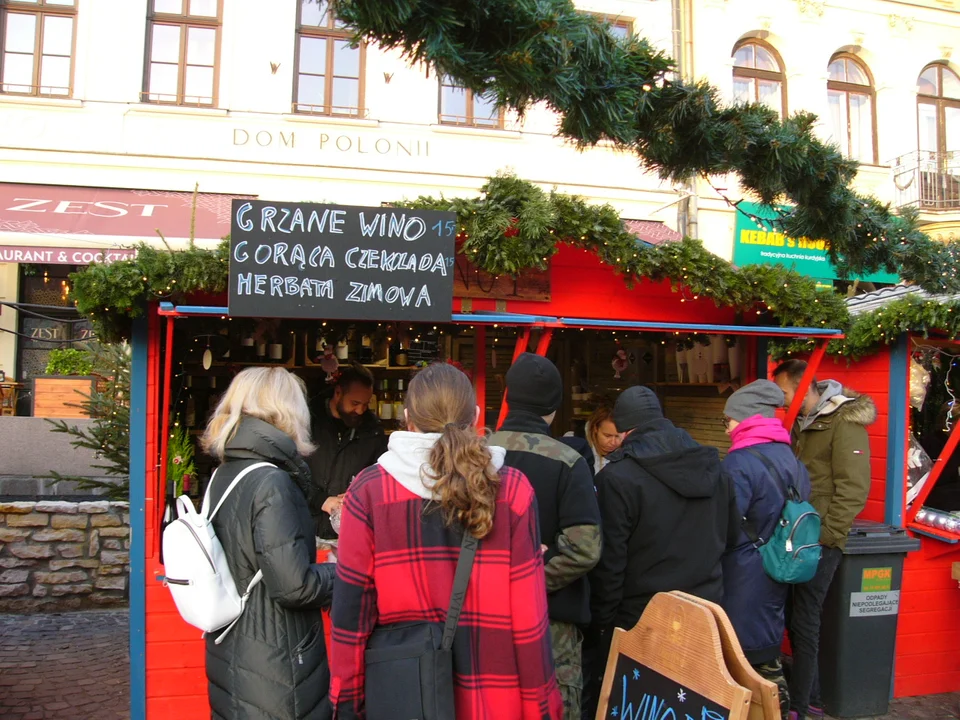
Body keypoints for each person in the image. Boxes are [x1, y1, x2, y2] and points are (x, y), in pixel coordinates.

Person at [330, 362, 563, 720]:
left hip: (403, 698)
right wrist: (541, 709)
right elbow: (530, 620)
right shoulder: (513, 490)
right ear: (476, 416)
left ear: (407, 418)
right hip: (494, 701)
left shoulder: (369, 491)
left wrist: (347, 704)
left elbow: (351, 619)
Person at [583, 385, 737, 720]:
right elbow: (731, 539)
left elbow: (611, 566)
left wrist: (601, 629)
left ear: (624, 429)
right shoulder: (716, 469)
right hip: (704, 614)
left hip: (641, 619)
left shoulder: (618, 478)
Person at [200, 367, 336, 720]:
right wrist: (342, 572)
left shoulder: (226, 472)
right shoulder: (271, 481)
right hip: (276, 661)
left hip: (235, 647)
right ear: (288, 411)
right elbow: (294, 588)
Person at [489, 353, 602, 719]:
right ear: (554, 406)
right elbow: (584, 550)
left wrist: (495, 572)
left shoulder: (474, 455)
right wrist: (529, 569)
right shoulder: (569, 461)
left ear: (508, 397)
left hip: (481, 614)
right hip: (549, 623)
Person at [772, 360, 875, 720]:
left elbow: (854, 487)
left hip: (820, 539)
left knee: (805, 618)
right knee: (792, 615)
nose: (782, 401)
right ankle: (809, 695)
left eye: (785, 392)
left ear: (804, 387)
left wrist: (828, 536)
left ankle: (803, 704)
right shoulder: (802, 422)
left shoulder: (844, 422)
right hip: (797, 533)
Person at [720, 380, 812, 720]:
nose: (726, 426)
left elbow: (726, 525)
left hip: (743, 573)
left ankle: (770, 711)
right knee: (766, 648)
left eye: (727, 419)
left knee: (743, 659)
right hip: (778, 565)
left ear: (744, 419)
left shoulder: (739, 463)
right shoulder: (790, 457)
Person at [308, 362, 387, 539]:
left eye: (365, 404)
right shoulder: (308, 422)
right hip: (305, 528)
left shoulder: (373, 431)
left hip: (350, 532)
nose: (360, 410)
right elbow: (293, 473)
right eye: (355, 403)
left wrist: (361, 494)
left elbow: (381, 477)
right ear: (338, 393)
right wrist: (321, 500)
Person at [560, 404, 623, 478]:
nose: (613, 442)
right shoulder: (573, 444)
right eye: (607, 436)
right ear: (595, 428)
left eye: (618, 436)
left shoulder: (626, 453)